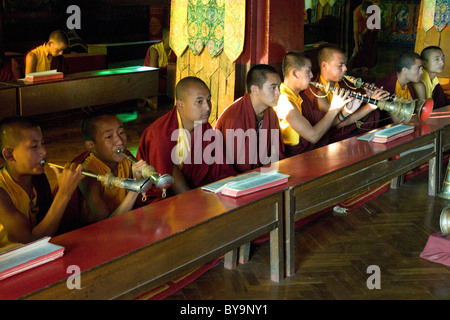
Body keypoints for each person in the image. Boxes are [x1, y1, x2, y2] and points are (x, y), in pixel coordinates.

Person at [136, 76, 235, 203]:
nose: (208, 107)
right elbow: (174, 188)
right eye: (199, 102)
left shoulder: (203, 126)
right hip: (165, 203)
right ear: (180, 105)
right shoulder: (160, 136)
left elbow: (220, 170)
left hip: (197, 194)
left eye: (209, 100)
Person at [0, 116, 83, 249]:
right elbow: (30, 241)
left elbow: (51, 226)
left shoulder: (38, 178)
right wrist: (64, 193)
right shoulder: (2, 191)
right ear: (9, 154)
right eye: (34, 147)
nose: (43, 152)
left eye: (42, 143)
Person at [74, 111, 147, 225]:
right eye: (109, 136)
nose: (119, 141)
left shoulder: (127, 160)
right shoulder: (87, 173)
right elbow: (106, 225)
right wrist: (136, 188)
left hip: (127, 223)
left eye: (121, 132)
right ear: (91, 146)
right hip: (97, 235)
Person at [274, 51, 352, 156]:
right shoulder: (284, 101)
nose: (311, 75)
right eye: (308, 71)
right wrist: (335, 108)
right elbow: (313, 136)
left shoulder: (300, 97)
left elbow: (321, 125)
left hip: (309, 153)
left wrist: (346, 111)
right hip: (295, 160)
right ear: (295, 73)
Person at [305, 45, 387, 142]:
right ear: (324, 66)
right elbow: (336, 123)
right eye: (340, 65)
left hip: (353, 132)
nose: (345, 69)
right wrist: (369, 106)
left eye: (345, 64)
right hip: (337, 141)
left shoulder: (343, 82)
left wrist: (368, 97)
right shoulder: (317, 93)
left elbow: (355, 111)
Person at [214, 64, 286, 173]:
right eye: (273, 88)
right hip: (234, 179)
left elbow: (277, 154)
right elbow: (230, 168)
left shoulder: (271, 114)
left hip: (263, 174)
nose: (278, 93)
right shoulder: (234, 118)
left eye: (278, 87)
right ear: (255, 90)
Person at [376, 51, 425, 126]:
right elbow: (398, 121)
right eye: (418, 68)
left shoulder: (410, 84)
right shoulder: (386, 86)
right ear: (405, 70)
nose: (421, 72)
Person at [351, 1, 378, 73]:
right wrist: (356, 45)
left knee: (369, 45)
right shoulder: (357, 13)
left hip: (372, 27)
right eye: (365, 15)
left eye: (368, 15)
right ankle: (357, 66)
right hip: (361, 27)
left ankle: (367, 66)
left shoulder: (373, 11)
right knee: (359, 46)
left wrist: (362, 34)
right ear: (361, 11)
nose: (366, 17)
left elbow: (369, 25)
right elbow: (355, 30)